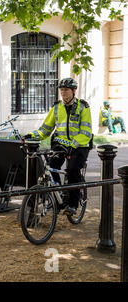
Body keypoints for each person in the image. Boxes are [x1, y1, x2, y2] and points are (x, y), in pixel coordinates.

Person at [23, 77, 93, 216]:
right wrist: (31, 135)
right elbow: (45, 129)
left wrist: (74, 145)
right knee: (51, 166)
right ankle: (59, 193)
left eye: (66, 90)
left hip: (80, 146)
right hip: (60, 145)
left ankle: (73, 204)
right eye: (61, 90)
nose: (63, 93)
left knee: (73, 170)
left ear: (74, 91)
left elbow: (86, 132)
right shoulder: (56, 108)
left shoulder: (83, 107)